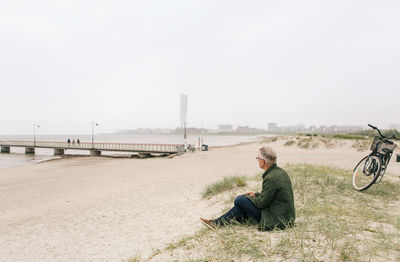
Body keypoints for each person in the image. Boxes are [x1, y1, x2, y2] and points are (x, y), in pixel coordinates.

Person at [200, 145, 295, 231]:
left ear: (263, 161)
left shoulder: (270, 178)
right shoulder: (281, 172)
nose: (257, 160)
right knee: (241, 205)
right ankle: (216, 223)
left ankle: (217, 223)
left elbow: (262, 203)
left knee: (239, 201)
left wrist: (247, 197)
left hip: (276, 218)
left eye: (258, 158)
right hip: (285, 216)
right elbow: (271, 195)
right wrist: (254, 195)